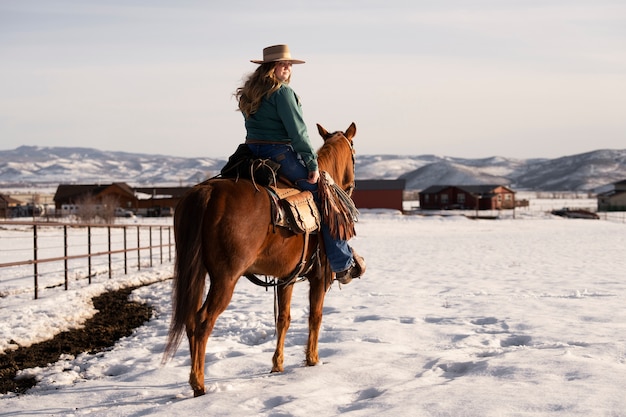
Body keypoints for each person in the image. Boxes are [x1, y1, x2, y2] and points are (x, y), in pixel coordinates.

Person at [234, 44, 364, 284]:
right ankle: (342, 263)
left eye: (288, 64)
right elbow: (299, 133)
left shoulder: (249, 93)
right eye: (281, 64)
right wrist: (312, 163)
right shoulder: (282, 93)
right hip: (280, 155)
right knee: (325, 198)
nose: (287, 68)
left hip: (250, 153)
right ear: (269, 67)